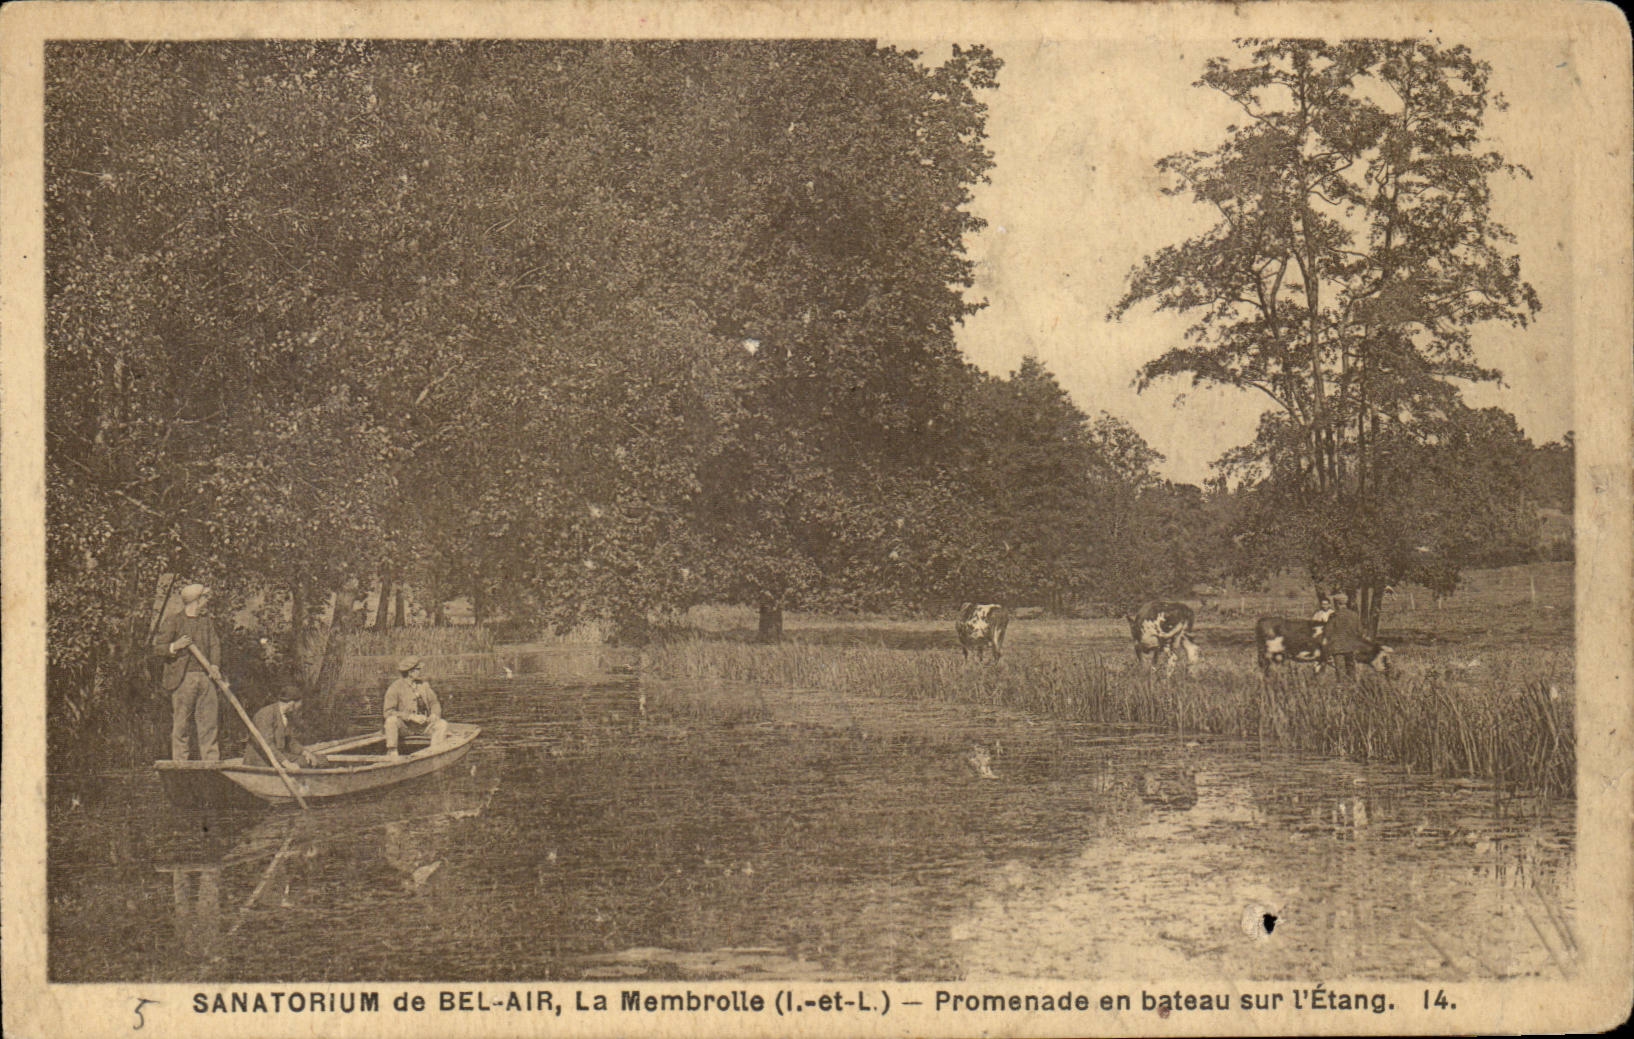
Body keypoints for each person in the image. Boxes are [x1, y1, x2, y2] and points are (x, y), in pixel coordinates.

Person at [153, 583, 223, 761]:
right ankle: (180, 764)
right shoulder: (174, 620)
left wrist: (214, 666)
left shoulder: (206, 622)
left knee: (209, 722)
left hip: (206, 677)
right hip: (183, 679)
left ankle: (211, 763)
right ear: (196, 600)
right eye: (205, 598)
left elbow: (215, 645)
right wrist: (175, 646)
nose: (207, 601)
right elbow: (157, 648)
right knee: (182, 724)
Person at [243, 685, 326, 769]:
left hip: (277, 756)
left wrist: (305, 752)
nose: (298, 709)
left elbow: (289, 741)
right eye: (299, 705)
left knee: (320, 760)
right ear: (292, 703)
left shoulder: (286, 715)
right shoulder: (266, 714)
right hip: (261, 760)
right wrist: (287, 764)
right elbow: (267, 745)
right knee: (304, 763)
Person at [383, 656, 448, 757]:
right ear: (410, 672)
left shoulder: (424, 685)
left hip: (424, 726)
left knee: (442, 724)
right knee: (391, 721)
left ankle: (434, 754)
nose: (420, 672)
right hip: (405, 728)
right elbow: (388, 712)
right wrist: (410, 717)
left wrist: (434, 714)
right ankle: (393, 752)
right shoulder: (395, 688)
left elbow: (434, 703)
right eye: (418, 669)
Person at [1322, 592, 1373, 674]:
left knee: (1340, 671)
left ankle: (1342, 686)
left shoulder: (1334, 616)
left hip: (1338, 648)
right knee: (1351, 670)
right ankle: (1352, 685)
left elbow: (1327, 632)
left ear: (1337, 603)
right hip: (1351, 647)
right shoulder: (1354, 615)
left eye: (1334, 603)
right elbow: (1360, 632)